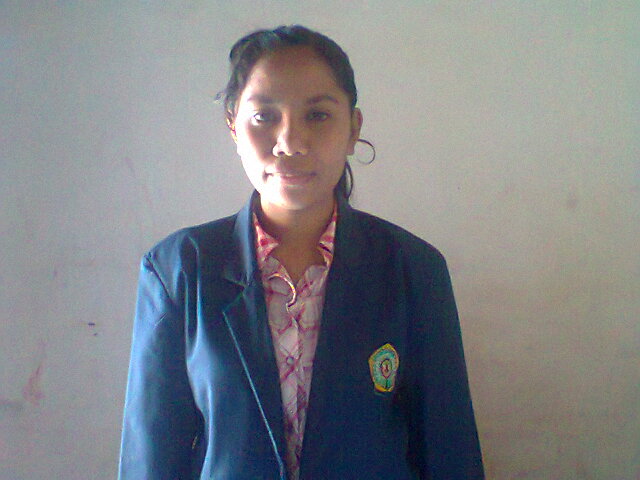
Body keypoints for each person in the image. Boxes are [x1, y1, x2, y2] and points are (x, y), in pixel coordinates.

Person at [119, 25, 484, 480]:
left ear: (353, 129)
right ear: (233, 126)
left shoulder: (414, 269)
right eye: (263, 116)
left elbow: (449, 448)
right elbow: (152, 455)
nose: (290, 142)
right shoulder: (179, 270)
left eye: (318, 115)